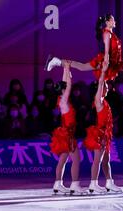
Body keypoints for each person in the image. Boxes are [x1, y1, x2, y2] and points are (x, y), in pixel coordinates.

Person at [46, 14, 123, 80]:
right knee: (82, 67)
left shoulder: (111, 33)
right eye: (112, 19)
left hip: (116, 62)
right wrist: (106, 62)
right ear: (107, 22)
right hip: (107, 62)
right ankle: (56, 61)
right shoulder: (106, 33)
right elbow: (106, 50)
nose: (114, 21)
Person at [49, 61, 88, 195]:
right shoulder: (64, 100)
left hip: (65, 132)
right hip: (68, 134)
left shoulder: (61, 99)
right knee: (76, 160)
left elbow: (65, 84)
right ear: (63, 90)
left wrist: (66, 69)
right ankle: (75, 185)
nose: (67, 89)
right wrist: (66, 69)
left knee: (63, 160)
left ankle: (57, 183)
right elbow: (68, 85)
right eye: (65, 88)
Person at [83, 68, 122, 194]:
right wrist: (103, 74)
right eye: (105, 86)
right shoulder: (98, 101)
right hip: (99, 134)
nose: (107, 88)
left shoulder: (105, 102)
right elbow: (100, 84)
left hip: (106, 135)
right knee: (98, 160)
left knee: (106, 160)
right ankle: (93, 184)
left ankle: (109, 182)